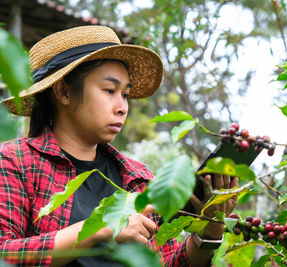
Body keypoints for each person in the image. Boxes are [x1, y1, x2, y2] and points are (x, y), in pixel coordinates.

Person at [0, 26, 238, 267]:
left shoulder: (138, 179)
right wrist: (100, 226)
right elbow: (3, 253)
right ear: (63, 91)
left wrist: (210, 232)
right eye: (110, 90)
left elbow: (164, 261)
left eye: (125, 94)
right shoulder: (15, 161)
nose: (122, 107)